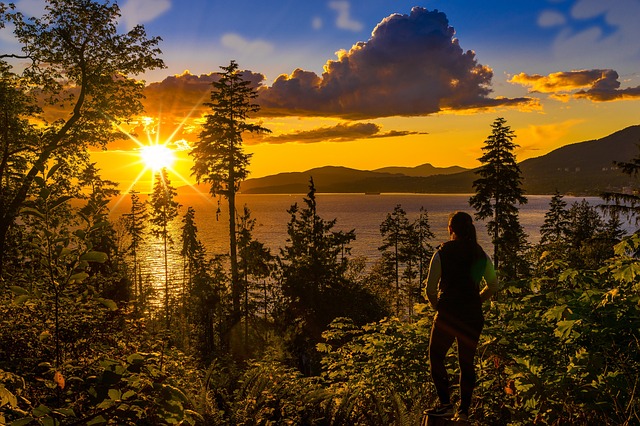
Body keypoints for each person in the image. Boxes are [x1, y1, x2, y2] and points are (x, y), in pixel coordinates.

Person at [423, 211, 498, 421]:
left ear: (450, 230)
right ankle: (464, 411)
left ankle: (445, 404)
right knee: (467, 362)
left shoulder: (442, 253)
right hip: (473, 317)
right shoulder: (480, 253)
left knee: (436, 356)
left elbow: (430, 289)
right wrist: (477, 301)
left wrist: (439, 306)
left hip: (448, 316)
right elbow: (493, 285)